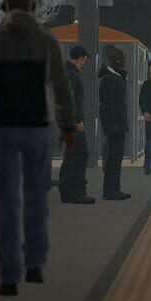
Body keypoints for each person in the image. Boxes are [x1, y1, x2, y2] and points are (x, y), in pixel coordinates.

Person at [0, 0, 76, 296]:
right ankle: (35, 265)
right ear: (33, 8)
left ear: (5, 8)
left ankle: (8, 276)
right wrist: (68, 127)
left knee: (6, 202)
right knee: (36, 197)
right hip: (37, 128)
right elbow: (60, 87)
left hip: (1, 129)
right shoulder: (46, 42)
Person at [59, 46, 94, 204]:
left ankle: (66, 192)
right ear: (81, 58)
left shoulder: (66, 72)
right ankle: (77, 192)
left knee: (70, 155)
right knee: (80, 154)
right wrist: (78, 120)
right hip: (72, 122)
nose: (85, 62)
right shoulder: (72, 74)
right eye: (85, 58)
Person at [99, 46, 131, 201]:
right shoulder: (109, 79)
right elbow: (107, 104)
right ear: (117, 61)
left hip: (118, 124)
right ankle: (110, 191)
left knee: (116, 158)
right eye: (122, 59)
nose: (124, 62)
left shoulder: (115, 77)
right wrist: (111, 123)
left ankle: (115, 189)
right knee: (113, 158)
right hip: (114, 125)